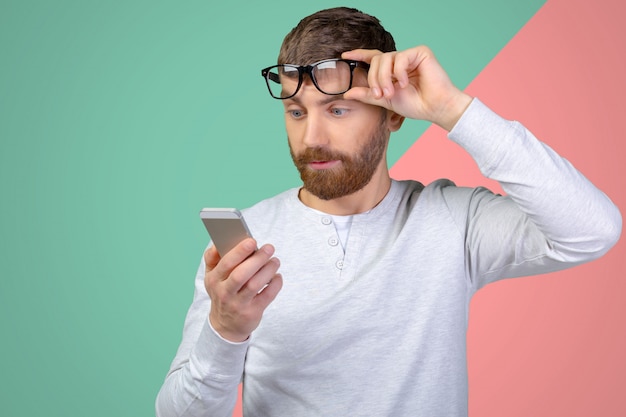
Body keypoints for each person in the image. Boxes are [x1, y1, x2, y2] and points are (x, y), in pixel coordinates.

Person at [156, 7, 621, 417]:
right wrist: (225, 331)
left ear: (393, 113)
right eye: (297, 112)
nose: (311, 137)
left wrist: (452, 109)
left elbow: (593, 230)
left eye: (338, 110)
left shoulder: (452, 221)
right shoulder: (245, 246)